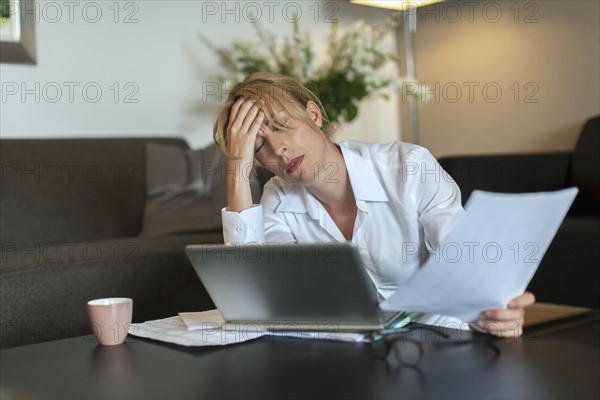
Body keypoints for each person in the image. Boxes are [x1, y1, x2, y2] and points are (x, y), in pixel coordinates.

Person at [213, 72, 535, 338]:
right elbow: (256, 300)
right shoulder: (277, 199)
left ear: (313, 115)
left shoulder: (409, 166)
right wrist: (236, 167)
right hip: (343, 358)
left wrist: (495, 308)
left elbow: (462, 263)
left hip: (438, 344)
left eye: (283, 126)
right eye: (259, 147)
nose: (279, 149)